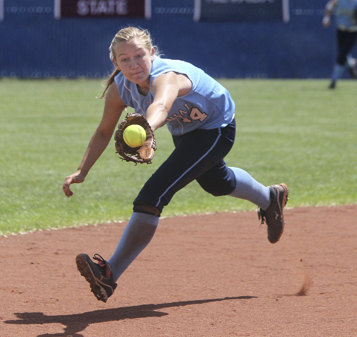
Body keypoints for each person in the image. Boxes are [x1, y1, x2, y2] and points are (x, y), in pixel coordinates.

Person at [62, 27, 289, 303]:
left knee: (153, 194)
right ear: (115, 63)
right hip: (186, 130)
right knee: (217, 182)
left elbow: (161, 106)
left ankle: (109, 274)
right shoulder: (120, 88)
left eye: (139, 55)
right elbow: (102, 132)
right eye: (125, 60)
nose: (133, 65)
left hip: (217, 126)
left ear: (153, 53)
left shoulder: (166, 76)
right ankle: (270, 197)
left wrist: (146, 127)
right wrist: (81, 170)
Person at [323, 0, 357, 89]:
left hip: (353, 31)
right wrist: (326, 18)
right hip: (341, 30)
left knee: (342, 56)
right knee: (342, 54)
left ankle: (333, 81)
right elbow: (329, 6)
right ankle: (350, 63)